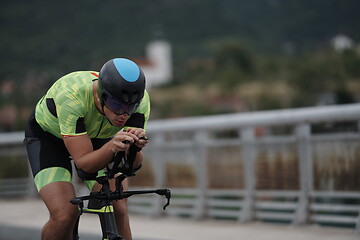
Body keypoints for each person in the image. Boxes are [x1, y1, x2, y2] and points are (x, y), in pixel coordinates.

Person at [24, 58, 150, 240]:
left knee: (119, 206)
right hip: (49, 138)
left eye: (130, 107)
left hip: (96, 136)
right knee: (65, 214)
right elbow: (84, 164)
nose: (123, 114)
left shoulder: (141, 102)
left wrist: (134, 149)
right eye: (116, 105)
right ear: (101, 95)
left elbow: (132, 166)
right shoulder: (72, 96)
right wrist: (112, 147)